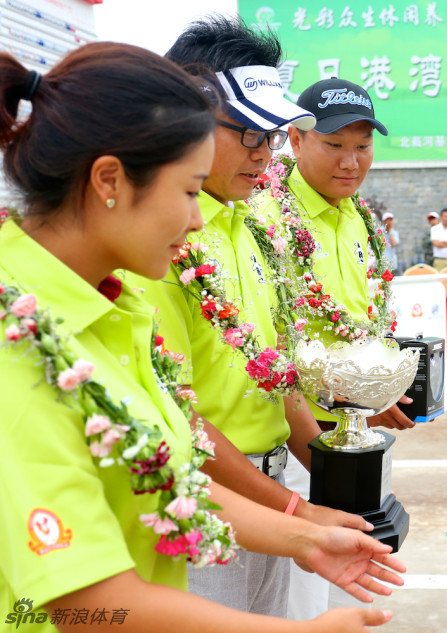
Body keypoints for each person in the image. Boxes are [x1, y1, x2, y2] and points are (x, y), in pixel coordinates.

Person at [0, 43, 401, 633]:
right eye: (187, 191)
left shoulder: (119, 306)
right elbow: (80, 604)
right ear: (110, 180)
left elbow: (169, 478)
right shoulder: (22, 343)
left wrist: (303, 536)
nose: (195, 221)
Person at [128, 16, 373, 617]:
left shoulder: (250, 225)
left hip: (269, 489)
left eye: (272, 134)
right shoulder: (163, 243)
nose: (265, 152)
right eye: (247, 132)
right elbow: (181, 419)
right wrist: (295, 514)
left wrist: (338, 478)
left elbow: (274, 376)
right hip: (209, 502)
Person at [250, 76, 416, 619]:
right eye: (334, 144)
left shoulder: (358, 218)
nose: (351, 161)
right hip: (304, 443)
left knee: (352, 586)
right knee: (302, 601)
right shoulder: (266, 218)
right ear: (295, 142)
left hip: (359, 435)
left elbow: (363, 323)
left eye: (363, 146)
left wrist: (377, 387)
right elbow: (271, 341)